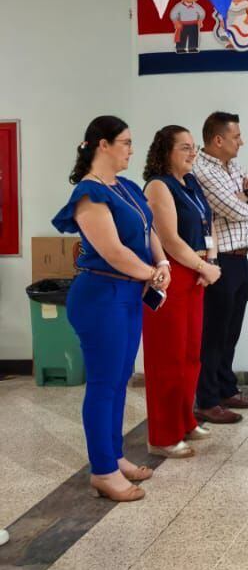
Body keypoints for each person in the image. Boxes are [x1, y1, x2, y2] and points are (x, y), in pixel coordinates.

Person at [52, 116, 170, 502]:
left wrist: (162, 263)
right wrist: (152, 274)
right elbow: (113, 251)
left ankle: (114, 456)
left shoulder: (129, 187)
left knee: (119, 381)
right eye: (125, 142)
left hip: (128, 293)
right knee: (103, 385)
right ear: (101, 145)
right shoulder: (89, 194)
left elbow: (149, 230)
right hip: (101, 296)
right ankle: (102, 471)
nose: (131, 150)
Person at [142, 126, 221, 459]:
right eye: (185, 148)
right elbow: (170, 239)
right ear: (166, 151)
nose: (192, 153)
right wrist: (204, 268)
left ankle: (185, 420)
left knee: (191, 355)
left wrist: (211, 261)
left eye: (193, 148)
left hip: (197, 274)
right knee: (168, 358)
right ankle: (162, 435)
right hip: (173, 275)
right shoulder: (159, 186)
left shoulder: (192, 184)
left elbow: (208, 224)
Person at [193, 112, 248, 425]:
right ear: (218, 140)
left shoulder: (232, 165)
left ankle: (226, 388)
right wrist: (246, 197)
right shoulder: (203, 170)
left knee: (231, 331)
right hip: (218, 259)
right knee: (214, 332)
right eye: (236, 137)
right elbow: (235, 210)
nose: (242, 141)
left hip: (240, 257)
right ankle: (208, 399)